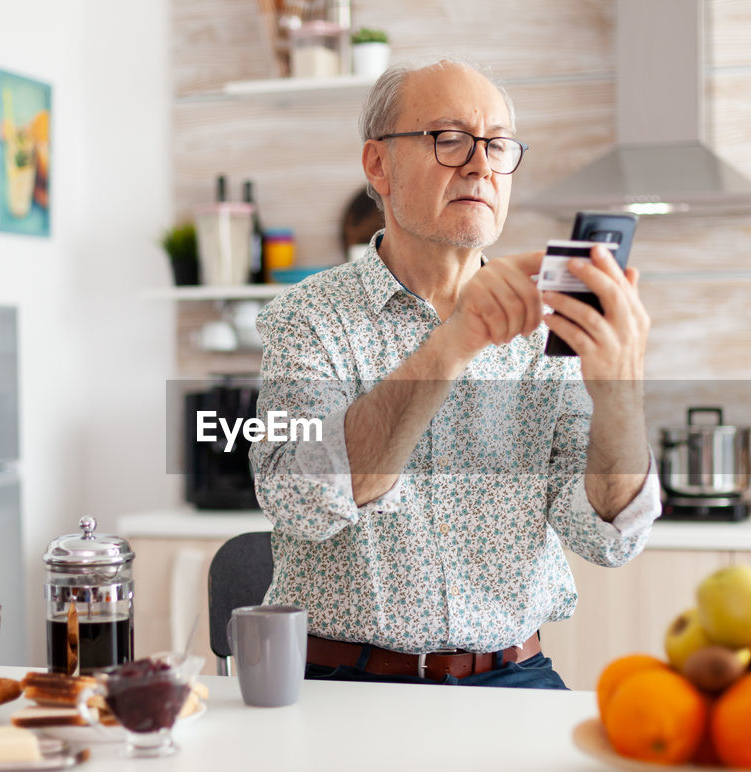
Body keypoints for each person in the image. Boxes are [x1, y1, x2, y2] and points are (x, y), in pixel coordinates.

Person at [248, 58, 660, 690]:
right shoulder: (306, 318)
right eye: (449, 139)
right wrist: (455, 341)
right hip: (346, 682)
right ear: (378, 165)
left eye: (496, 145)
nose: (480, 164)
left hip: (515, 678)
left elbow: (607, 536)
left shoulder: (553, 330)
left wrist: (619, 395)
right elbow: (296, 496)